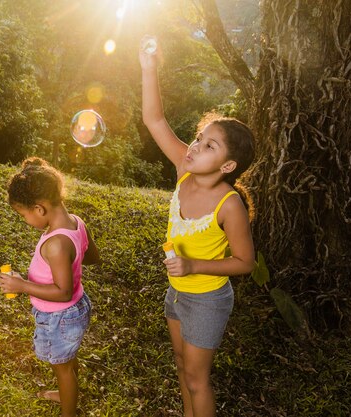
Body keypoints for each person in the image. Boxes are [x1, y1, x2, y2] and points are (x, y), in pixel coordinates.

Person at [139, 37, 257, 417]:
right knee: (180, 363)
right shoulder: (182, 170)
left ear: (227, 167)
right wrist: (148, 66)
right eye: (198, 138)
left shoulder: (229, 204)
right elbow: (154, 120)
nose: (194, 147)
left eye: (210, 147)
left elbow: (244, 263)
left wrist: (192, 266)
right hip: (176, 294)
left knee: (197, 378)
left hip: (207, 300)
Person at [0, 157, 100, 417]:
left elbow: (62, 291)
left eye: (23, 215)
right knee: (68, 358)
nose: (25, 220)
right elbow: (91, 257)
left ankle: (68, 409)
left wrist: (22, 285)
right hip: (76, 307)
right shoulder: (76, 222)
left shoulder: (55, 244)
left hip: (60, 316)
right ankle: (68, 391)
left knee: (62, 367)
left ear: (39, 208)